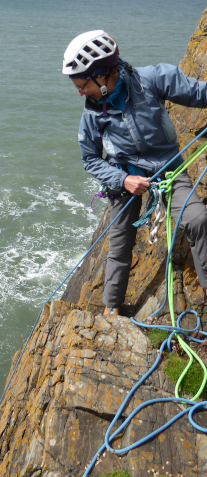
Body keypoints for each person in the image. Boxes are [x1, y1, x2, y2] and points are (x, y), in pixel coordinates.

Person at [62, 30, 207, 316]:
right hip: (124, 176)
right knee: (120, 241)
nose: (80, 92)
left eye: (82, 85)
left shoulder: (151, 80)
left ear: (102, 75)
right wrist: (123, 180)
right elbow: (90, 158)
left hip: (167, 168)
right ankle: (111, 308)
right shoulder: (92, 114)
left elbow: (198, 93)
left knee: (198, 219)